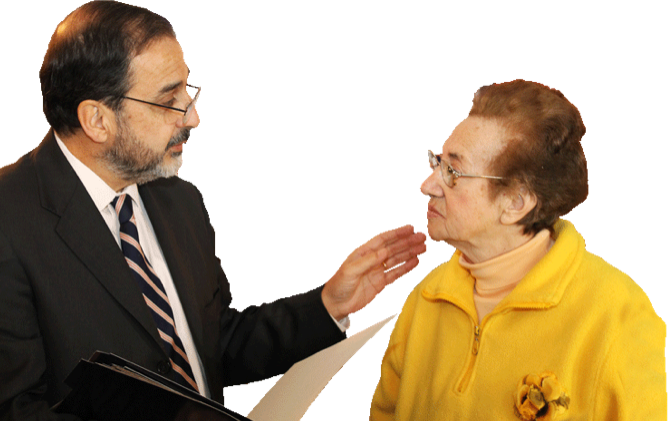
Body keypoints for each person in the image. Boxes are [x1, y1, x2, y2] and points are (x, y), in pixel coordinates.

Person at [0, 1, 428, 420]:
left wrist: (329, 303)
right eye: (170, 100)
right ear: (97, 120)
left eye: (191, 91)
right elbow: (15, 408)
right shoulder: (8, 220)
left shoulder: (180, 199)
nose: (193, 117)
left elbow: (215, 346)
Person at [369, 79, 666, 420]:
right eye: (436, 162)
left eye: (453, 171)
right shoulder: (426, 297)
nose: (427, 185)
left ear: (516, 202)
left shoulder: (619, 315)